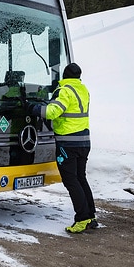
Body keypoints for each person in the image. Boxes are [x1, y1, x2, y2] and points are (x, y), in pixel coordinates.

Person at [28, 62, 96, 233]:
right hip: (84, 141)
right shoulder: (83, 89)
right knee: (81, 177)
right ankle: (91, 216)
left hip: (68, 143)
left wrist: (32, 108)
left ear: (64, 76)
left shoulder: (65, 90)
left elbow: (52, 112)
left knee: (71, 180)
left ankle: (82, 218)